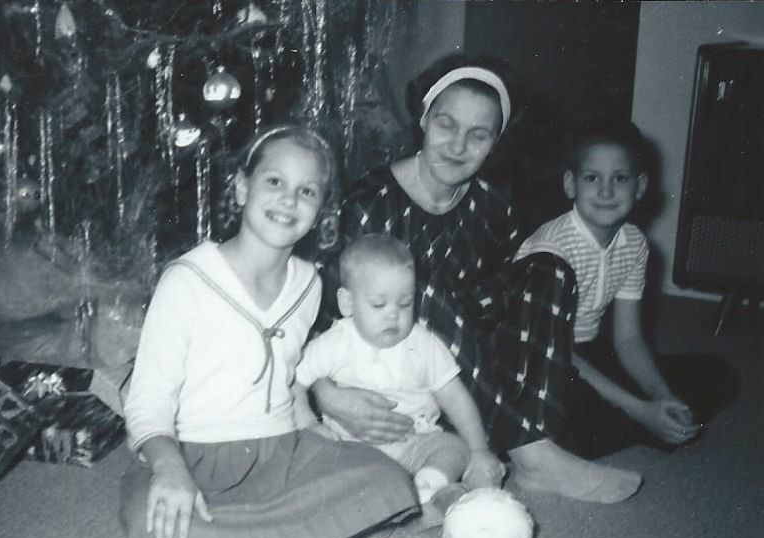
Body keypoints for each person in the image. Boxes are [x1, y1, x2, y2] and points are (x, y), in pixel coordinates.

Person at [117, 125, 437, 538]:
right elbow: (146, 400)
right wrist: (169, 469)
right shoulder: (186, 280)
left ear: (319, 211)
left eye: (306, 191)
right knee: (156, 513)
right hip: (195, 455)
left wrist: (308, 422)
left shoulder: (309, 283)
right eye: (274, 182)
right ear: (243, 188)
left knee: (387, 482)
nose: (289, 200)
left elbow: (288, 373)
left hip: (278, 450)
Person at [314, 54, 642, 505]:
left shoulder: (494, 203)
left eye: (479, 134)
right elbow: (324, 316)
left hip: (473, 379)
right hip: (399, 386)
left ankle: (529, 437)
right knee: (417, 287)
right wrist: (325, 394)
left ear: (495, 142)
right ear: (425, 119)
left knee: (549, 266)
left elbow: (507, 306)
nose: (458, 145)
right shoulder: (369, 204)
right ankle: (531, 452)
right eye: (446, 124)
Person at [514, 117, 737, 461]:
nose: (606, 191)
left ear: (641, 186)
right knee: (570, 408)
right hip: (536, 358)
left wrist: (660, 395)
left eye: (620, 178)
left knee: (718, 375)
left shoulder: (634, 243)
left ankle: (633, 425)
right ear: (571, 184)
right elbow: (555, 350)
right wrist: (639, 409)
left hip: (587, 352)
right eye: (592, 178)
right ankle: (623, 427)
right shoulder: (550, 251)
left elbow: (628, 339)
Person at [297, 234, 505, 509]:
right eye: (379, 305)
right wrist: (308, 422)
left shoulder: (424, 345)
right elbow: (294, 380)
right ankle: (377, 499)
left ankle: (429, 486)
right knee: (314, 458)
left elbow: (455, 398)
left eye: (405, 303)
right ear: (347, 303)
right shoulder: (335, 343)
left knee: (453, 448)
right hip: (352, 445)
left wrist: (479, 450)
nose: (393, 315)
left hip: (415, 442)